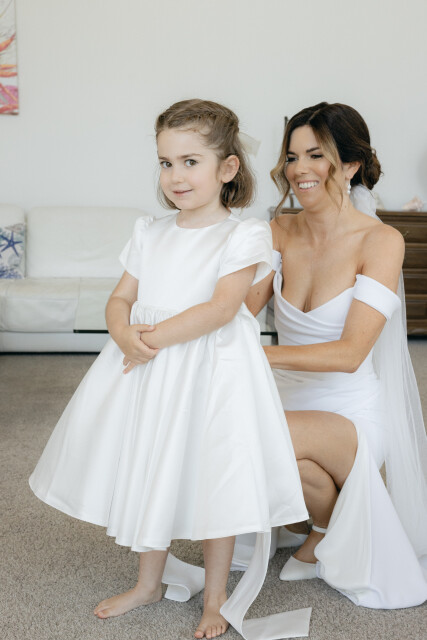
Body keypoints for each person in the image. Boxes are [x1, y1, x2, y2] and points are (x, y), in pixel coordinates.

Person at [29, 99, 310, 640]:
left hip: (209, 373)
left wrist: (146, 341)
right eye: (165, 163)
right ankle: (147, 583)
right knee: (149, 462)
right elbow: (121, 297)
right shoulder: (150, 231)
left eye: (190, 162)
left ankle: (216, 597)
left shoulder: (244, 234)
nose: (176, 176)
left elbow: (222, 308)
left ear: (227, 168)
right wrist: (122, 333)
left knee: (213, 475)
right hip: (151, 371)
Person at [246, 102, 427, 609]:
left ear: (349, 165)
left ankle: (328, 524)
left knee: (251, 432)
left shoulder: (381, 241)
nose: (298, 169)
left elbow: (350, 354)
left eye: (315, 155)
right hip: (287, 399)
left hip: (350, 412)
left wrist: (259, 359)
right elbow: (239, 313)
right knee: (264, 446)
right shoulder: (279, 231)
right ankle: (326, 523)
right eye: (291, 156)